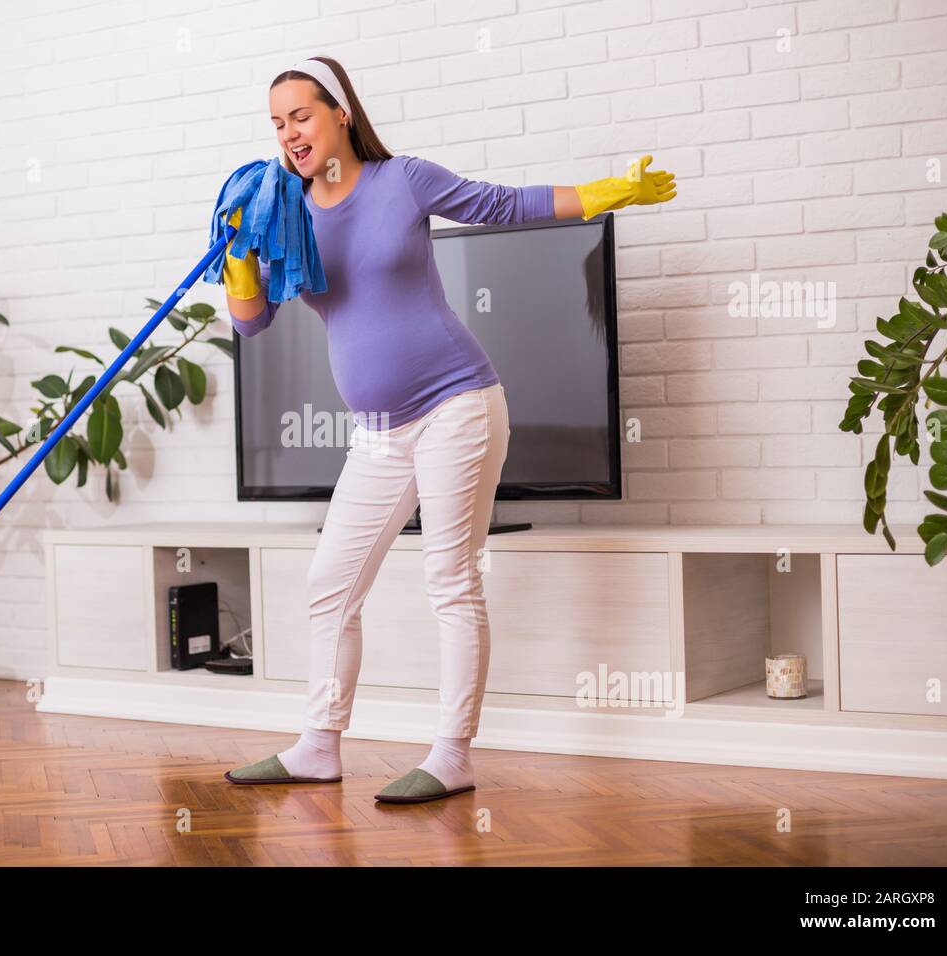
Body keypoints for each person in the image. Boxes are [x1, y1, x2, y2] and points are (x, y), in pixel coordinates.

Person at [222, 55, 676, 804]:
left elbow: (505, 204)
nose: (288, 133)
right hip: (376, 432)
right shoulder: (289, 215)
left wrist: (607, 191)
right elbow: (252, 323)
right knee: (329, 583)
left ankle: (452, 754)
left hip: (456, 405)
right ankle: (318, 745)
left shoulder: (404, 180)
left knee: (450, 581)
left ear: (340, 112)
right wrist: (240, 248)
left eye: (300, 114)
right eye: (276, 123)